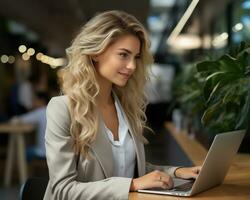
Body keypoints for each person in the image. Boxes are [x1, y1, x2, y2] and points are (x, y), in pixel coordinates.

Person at [44, 10, 201, 200]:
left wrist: (177, 173)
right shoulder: (63, 109)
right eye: (123, 55)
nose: (132, 66)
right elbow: (63, 189)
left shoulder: (126, 107)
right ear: (95, 53)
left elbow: (128, 167)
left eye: (135, 57)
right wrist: (133, 185)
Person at [11, 91, 49, 159]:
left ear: (41, 101)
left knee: (21, 152)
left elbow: (18, 120)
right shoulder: (50, 110)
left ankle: (23, 169)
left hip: (42, 152)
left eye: (34, 99)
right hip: (54, 151)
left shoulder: (40, 112)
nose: (33, 102)